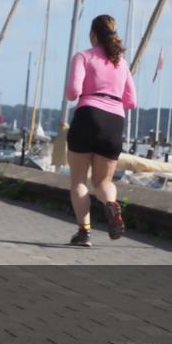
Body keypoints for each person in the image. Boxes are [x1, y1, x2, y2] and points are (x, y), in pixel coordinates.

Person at [63, 14, 137, 247]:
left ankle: (84, 232)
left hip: (88, 116)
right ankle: (110, 204)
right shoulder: (122, 63)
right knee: (103, 180)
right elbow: (132, 101)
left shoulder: (83, 56)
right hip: (114, 121)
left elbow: (72, 92)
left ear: (93, 35)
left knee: (78, 180)